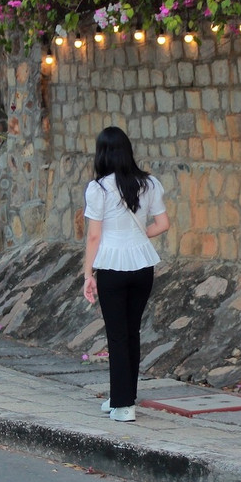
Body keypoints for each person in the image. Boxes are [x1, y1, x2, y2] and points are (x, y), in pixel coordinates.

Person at [81, 126, 169, 422]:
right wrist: (138, 236)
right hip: (143, 265)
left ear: (102, 154)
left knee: (117, 335)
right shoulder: (149, 183)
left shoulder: (99, 189)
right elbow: (163, 224)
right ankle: (123, 396)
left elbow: (94, 236)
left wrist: (87, 274)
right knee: (131, 332)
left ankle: (123, 405)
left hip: (112, 267)